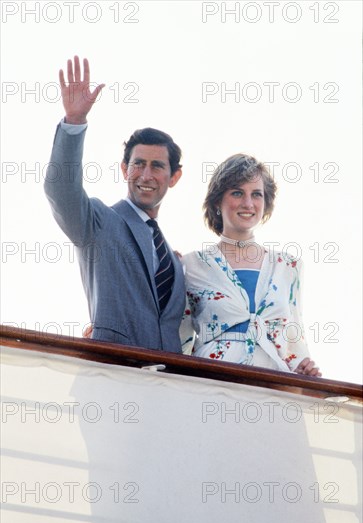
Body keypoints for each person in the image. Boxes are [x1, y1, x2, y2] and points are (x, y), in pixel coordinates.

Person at [44, 56, 185, 352]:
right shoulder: (98, 222)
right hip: (112, 377)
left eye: (157, 166)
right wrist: (74, 122)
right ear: (124, 169)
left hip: (168, 387)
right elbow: (61, 191)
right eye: (138, 164)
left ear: (174, 177)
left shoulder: (173, 260)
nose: (146, 175)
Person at [180, 153, 322, 376]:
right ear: (217, 201)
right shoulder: (191, 265)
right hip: (210, 386)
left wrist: (303, 370)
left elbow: (295, 344)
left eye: (256, 194)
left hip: (274, 388)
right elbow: (180, 340)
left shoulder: (288, 266)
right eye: (237, 192)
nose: (248, 203)